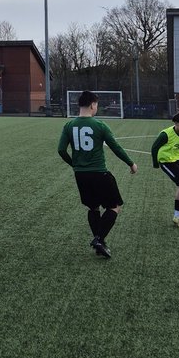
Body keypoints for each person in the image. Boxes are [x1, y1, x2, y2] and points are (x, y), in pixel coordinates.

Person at [58, 90, 138, 259]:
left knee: (93, 207)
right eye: (97, 105)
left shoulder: (69, 125)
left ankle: (99, 243)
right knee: (115, 206)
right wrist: (131, 163)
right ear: (93, 105)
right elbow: (115, 147)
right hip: (99, 173)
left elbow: (61, 150)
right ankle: (99, 239)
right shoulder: (100, 125)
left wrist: (75, 164)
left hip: (81, 175)